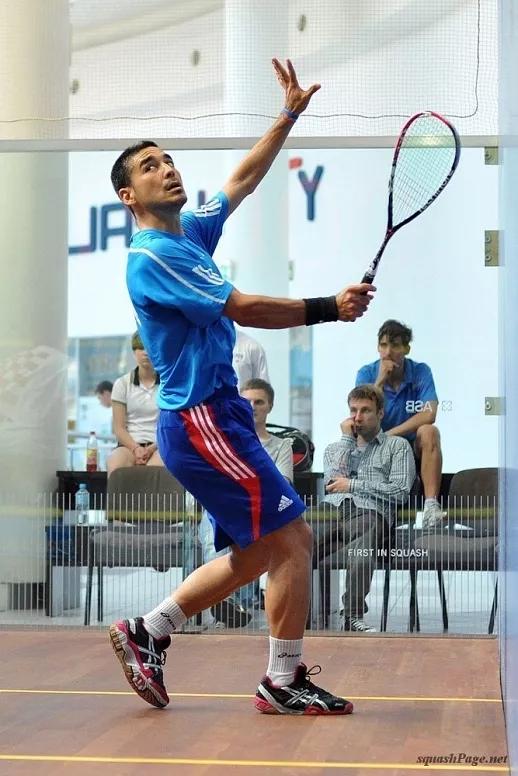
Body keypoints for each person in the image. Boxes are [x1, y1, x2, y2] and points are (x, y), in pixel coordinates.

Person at [108, 57, 375, 716]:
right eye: (150, 166)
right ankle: (281, 680)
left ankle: (149, 631)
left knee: (263, 547)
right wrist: (326, 307)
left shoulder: (189, 234)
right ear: (128, 197)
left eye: (168, 159)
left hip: (213, 416)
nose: (167, 168)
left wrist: (287, 116)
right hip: (202, 419)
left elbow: (241, 180)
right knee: (293, 540)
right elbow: (245, 307)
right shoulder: (155, 256)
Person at [200, 378, 293, 627]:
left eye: (259, 402)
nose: (252, 407)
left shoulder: (282, 445)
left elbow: (284, 483)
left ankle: (229, 599)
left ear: (270, 406)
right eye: (247, 401)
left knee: (249, 539)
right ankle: (226, 600)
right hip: (225, 506)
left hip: (262, 511)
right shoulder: (221, 440)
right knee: (213, 536)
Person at [323, 384, 415, 632]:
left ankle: (352, 615)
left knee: (365, 535)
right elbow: (331, 484)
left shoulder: (397, 446)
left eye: (365, 410)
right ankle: (287, 609)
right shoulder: (335, 448)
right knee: (296, 535)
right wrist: (346, 439)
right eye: (353, 410)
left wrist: (352, 484)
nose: (357, 417)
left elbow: (399, 491)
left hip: (370, 513)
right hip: (332, 511)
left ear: (381, 413)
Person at [356, 320, 444, 529]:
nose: (388, 352)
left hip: (410, 446)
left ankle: (431, 505)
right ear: (378, 347)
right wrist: (379, 382)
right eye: (384, 345)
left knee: (429, 431)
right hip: (377, 447)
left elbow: (429, 413)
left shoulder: (420, 372)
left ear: (406, 349)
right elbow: (362, 415)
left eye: (395, 346)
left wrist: (391, 434)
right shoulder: (367, 373)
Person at [106, 331, 163, 475]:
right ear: (134, 352)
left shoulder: (168, 384)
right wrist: (135, 448)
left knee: (156, 471)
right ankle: (117, 499)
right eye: (140, 348)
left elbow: (171, 425)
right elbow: (119, 428)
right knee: (115, 465)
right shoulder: (122, 384)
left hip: (160, 446)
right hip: (129, 445)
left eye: (149, 348)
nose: (145, 353)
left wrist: (152, 448)